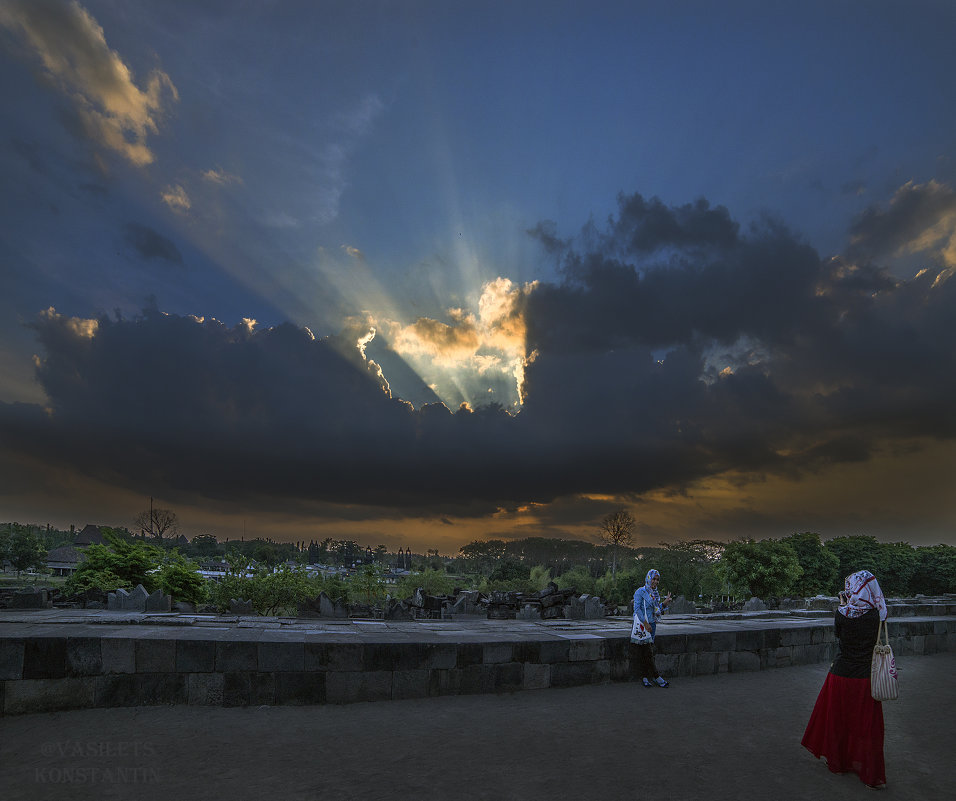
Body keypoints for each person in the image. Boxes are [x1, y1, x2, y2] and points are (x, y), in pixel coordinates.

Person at [801, 569, 889, 789]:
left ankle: (838, 763)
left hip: (840, 674)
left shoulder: (841, 613)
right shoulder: (877, 614)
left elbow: (839, 637)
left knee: (838, 720)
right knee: (867, 726)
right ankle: (870, 774)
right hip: (864, 676)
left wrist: (844, 604)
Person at [632, 568, 672, 687]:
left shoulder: (655, 594)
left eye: (657, 580)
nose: (655, 581)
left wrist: (665, 603)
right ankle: (656, 676)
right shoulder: (640, 592)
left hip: (652, 624)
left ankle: (645, 677)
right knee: (648, 651)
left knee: (647, 652)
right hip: (643, 625)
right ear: (648, 578)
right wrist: (645, 623)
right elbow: (637, 609)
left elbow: (656, 609)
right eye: (654, 579)